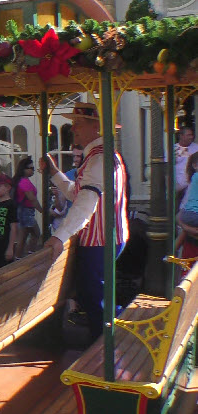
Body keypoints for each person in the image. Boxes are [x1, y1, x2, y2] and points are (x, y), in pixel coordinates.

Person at [42, 102, 129, 340]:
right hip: (107, 236)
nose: (73, 129)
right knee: (93, 295)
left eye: (78, 123)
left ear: (97, 127)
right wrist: (54, 173)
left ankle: (102, 351)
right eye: (73, 123)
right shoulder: (102, 156)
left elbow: (86, 202)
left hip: (99, 240)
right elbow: (78, 194)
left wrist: (59, 236)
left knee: (94, 297)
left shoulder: (99, 160)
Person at [175, 125, 198, 207]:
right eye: (188, 135)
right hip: (178, 185)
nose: (191, 137)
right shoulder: (174, 149)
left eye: (192, 135)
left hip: (192, 184)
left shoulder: (196, 148)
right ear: (181, 136)